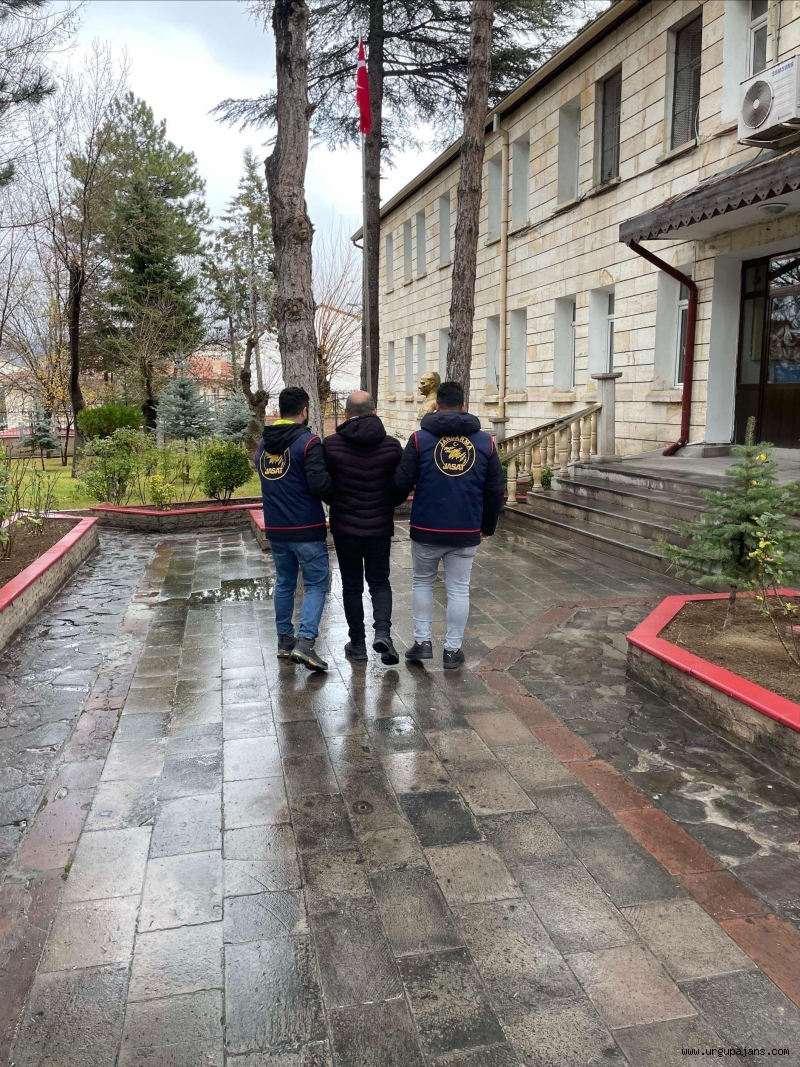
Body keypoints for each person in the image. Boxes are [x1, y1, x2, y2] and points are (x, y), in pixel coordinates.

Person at [392, 380, 505, 669]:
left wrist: (385, 504)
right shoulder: (486, 442)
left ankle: (422, 643)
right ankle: (452, 651)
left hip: (427, 527)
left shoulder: (420, 440)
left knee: (422, 582)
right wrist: (488, 526)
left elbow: (401, 483)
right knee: (458, 589)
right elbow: (495, 489)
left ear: (437, 406)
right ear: (464, 406)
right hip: (466, 528)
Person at [256, 386, 332, 671]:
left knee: (285, 583)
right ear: (304, 411)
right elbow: (319, 484)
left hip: (276, 527)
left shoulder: (264, 445)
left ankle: (285, 641)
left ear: (280, 410)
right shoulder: (309, 442)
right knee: (316, 584)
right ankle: (306, 642)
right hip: (306, 527)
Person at [323, 390, 402, 664]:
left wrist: (338, 501)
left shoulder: (331, 445)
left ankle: (357, 644)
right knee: (379, 583)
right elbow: (401, 485)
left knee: (352, 586)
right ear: (374, 411)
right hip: (379, 527)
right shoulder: (392, 446)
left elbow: (322, 484)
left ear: (346, 414)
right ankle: (383, 633)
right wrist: (387, 503)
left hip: (345, 528)